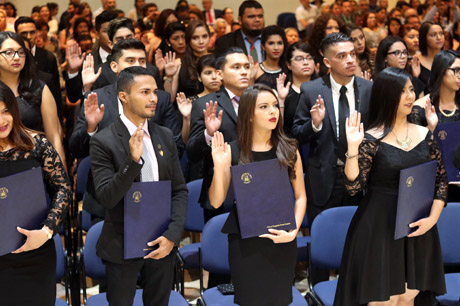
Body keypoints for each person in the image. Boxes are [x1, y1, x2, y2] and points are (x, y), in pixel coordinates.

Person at [333, 67, 447, 306]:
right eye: (402, 91)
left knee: (408, 296)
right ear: (386, 96)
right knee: (383, 300)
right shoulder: (370, 138)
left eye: (410, 90)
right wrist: (353, 149)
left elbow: (440, 182)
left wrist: (432, 219)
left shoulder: (425, 134)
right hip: (379, 227)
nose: (409, 96)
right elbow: (353, 186)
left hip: (418, 226)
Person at [89, 66, 187, 306]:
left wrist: (172, 235)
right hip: (122, 243)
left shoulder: (164, 135)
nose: (154, 98)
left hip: (161, 241)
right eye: (145, 92)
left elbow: (179, 191)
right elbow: (107, 197)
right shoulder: (104, 140)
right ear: (123, 96)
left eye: (155, 91)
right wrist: (132, 162)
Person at [208, 84, 306, 306]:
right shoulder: (232, 150)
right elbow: (216, 202)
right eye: (264, 107)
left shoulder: (289, 149)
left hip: (283, 238)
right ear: (249, 115)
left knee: (280, 300)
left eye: (274, 106)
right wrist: (218, 166)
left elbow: (300, 197)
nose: (273, 111)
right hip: (246, 242)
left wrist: (293, 231)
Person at [70, 39, 180, 223]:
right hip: (108, 202)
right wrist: (91, 127)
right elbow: (77, 149)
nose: (138, 66)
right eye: (130, 61)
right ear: (114, 66)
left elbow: (175, 145)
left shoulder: (159, 98)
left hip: (153, 195)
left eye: (142, 61)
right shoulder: (97, 98)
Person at [0, 80, 72, 305]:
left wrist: (47, 230)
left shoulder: (36, 144)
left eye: (5, 111)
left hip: (37, 252)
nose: (2, 121)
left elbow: (62, 188)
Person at [0, 31, 66, 169]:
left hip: (36, 165)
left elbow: (54, 137)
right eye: (9, 52)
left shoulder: (39, 88)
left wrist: (62, 176)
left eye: (21, 52)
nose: (17, 57)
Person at [283, 42, 317, 136]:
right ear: (288, 65)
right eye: (299, 59)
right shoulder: (284, 93)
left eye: (309, 58)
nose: (306, 62)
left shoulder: (323, 89)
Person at [418, 21, 445, 90]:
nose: (439, 38)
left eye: (441, 34)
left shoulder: (451, 58)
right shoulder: (416, 61)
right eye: (433, 35)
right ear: (424, 38)